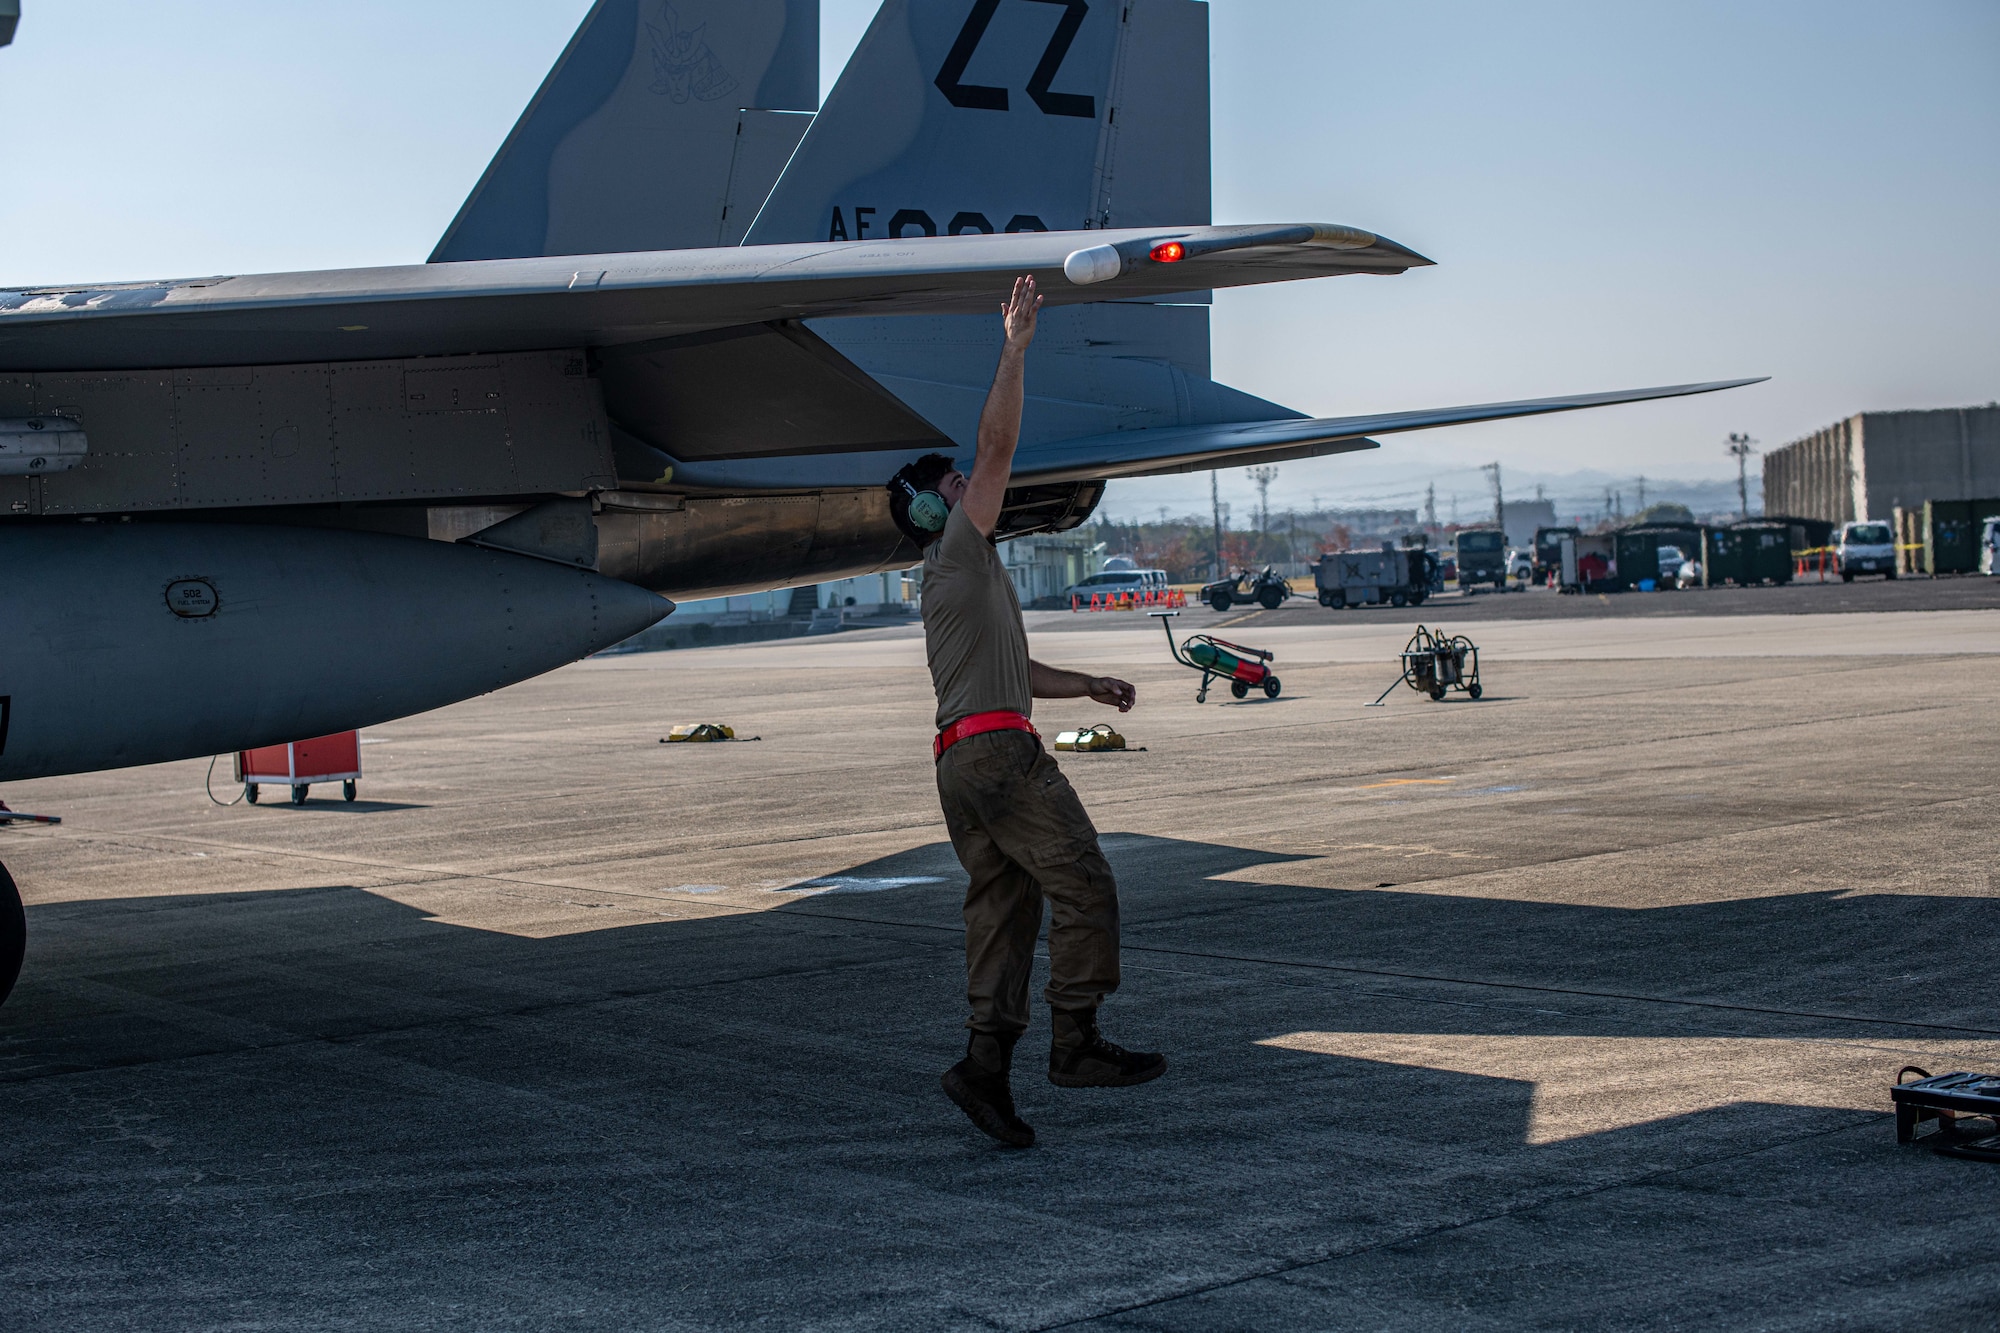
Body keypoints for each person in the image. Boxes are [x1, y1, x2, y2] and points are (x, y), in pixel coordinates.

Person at [886, 274, 1167, 1150]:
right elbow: (999, 446)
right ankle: (1075, 1042)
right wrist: (1015, 348)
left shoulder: (961, 580)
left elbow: (1012, 675)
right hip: (1000, 763)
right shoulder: (959, 551)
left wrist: (1084, 683)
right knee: (1084, 881)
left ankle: (983, 1069)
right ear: (937, 507)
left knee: (1005, 914)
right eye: (955, 482)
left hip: (966, 758)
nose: (972, 484)